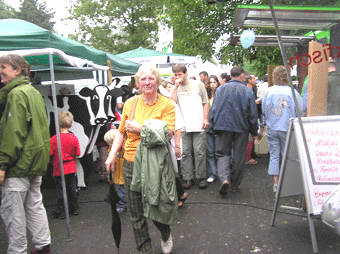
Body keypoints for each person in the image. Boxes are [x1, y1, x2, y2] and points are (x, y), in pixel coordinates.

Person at [105, 65, 177, 254]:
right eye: (143, 79)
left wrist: (140, 128)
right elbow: (120, 133)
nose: (147, 82)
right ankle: (145, 250)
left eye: (151, 79)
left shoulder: (167, 104)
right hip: (130, 163)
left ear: (158, 81)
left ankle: (165, 233)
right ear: (138, 83)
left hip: (155, 164)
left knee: (156, 209)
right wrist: (111, 155)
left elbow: (167, 134)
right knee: (135, 212)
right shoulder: (131, 103)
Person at [0, 54, 51, 254]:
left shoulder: (16, 94)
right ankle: (43, 246)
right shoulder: (32, 91)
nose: (0, 71)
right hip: (35, 161)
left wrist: (2, 164)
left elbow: (14, 133)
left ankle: (18, 250)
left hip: (19, 164)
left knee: (13, 213)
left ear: (17, 70)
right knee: (34, 205)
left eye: (3, 67)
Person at [210, 66, 258, 196]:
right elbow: (252, 114)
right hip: (241, 127)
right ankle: (235, 185)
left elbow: (214, 109)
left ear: (231, 76)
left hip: (223, 126)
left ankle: (224, 179)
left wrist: (213, 127)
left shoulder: (220, 89)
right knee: (239, 157)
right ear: (242, 75)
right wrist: (254, 131)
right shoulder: (247, 91)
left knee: (222, 154)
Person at [170, 64, 210, 190]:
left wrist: (205, 118)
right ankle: (187, 178)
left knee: (199, 152)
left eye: (180, 74)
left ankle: (201, 177)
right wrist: (175, 87)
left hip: (198, 123)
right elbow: (171, 103)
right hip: (183, 125)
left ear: (186, 73)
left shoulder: (198, 85)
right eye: (175, 75)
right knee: (185, 153)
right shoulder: (175, 87)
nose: (178, 77)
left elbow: (206, 102)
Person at [262, 66, 302, 193]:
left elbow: (264, 110)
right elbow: (301, 110)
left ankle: (276, 183)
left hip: (272, 127)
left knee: (274, 155)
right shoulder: (293, 92)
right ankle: (286, 181)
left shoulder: (269, 91)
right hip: (287, 128)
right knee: (286, 155)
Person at [50, 112, 81, 219]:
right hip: (71, 168)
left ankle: (61, 212)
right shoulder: (74, 138)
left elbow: (50, 153)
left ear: (58, 124)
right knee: (72, 189)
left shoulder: (54, 139)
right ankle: (75, 208)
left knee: (60, 190)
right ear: (70, 125)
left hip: (59, 168)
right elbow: (78, 153)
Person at [104, 128, 127, 213]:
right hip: (119, 172)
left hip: (123, 173)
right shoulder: (111, 149)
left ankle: (123, 204)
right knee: (122, 189)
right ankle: (123, 203)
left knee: (123, 190)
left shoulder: (124, 150)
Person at [205, 75, 221, 183]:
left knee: (218, 152)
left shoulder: (221, 95)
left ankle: (221, 173)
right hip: (208, 127)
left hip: (218, 127)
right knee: (210, 152)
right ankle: (212, 173)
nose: (212, 84)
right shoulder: (206, 96)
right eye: (210, 82)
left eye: (214, 82)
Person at [245, 73, 259, 165]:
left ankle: (249, 156)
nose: (255, 80)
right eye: (253, 78)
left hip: (252, 114)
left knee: (251, 137)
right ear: (249, 80)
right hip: (247, 116)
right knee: (248, 137)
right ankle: (247, 158)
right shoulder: (245, 90)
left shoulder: (254, 89)